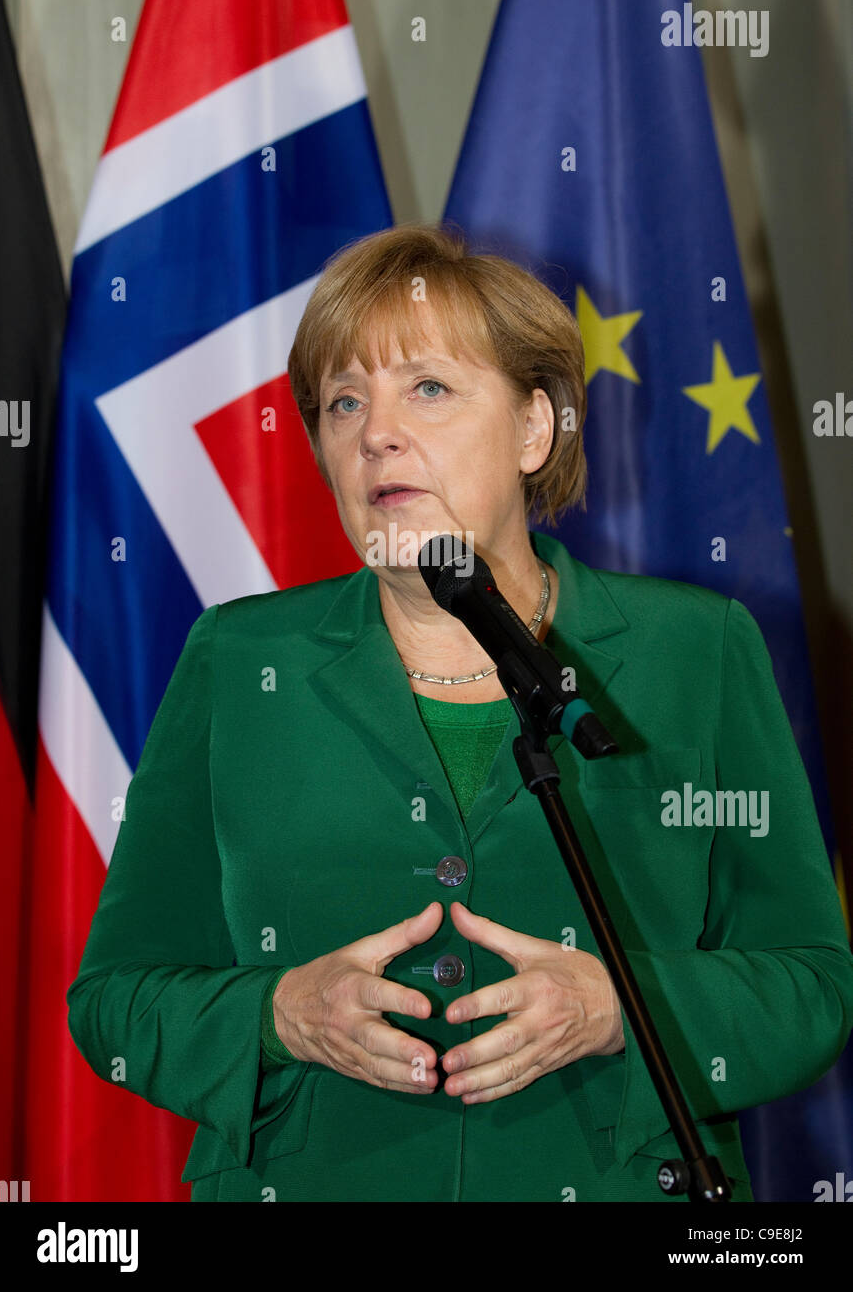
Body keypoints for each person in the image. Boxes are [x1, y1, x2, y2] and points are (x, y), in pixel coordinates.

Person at [67, 222, 853, 1202]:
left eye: (426, 389)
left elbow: (811, 987)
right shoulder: (235, 661)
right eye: (342, 401)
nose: (375, 432)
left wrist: (622, 1003)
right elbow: (114, 1002)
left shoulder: (694, 652)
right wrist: (280, 1009)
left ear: (534, 428)